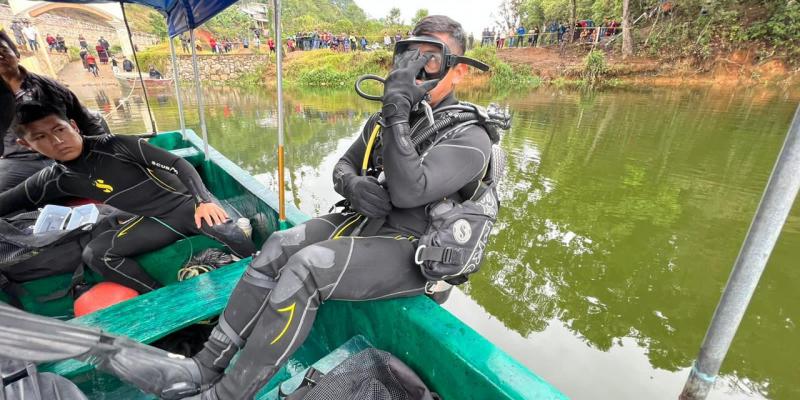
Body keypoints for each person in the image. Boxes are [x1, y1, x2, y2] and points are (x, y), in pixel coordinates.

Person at [116, 15, 496, 400]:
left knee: (307, 268)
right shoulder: (386, 119)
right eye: (410, 57)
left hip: (415, 250)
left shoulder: (469, 135)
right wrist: (354, 184)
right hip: (367, 224)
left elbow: (410, 192)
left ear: (458, 71)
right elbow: (343, 166)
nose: (417, 70)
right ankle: (207, 364)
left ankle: (227, 394)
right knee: (278, 244)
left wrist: (396, 111)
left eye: (432, 59)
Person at [1, 102, 256, 294]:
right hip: (152, 220)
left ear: (74, 126)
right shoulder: (53, 179)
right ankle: (163, 299)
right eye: (41, 137)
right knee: (96, 254)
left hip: (189, 205)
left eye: (60, 129)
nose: (57, 141)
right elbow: (8, 201)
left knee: (228, 231)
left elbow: (178, 164)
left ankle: (263, 276)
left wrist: (203, 200)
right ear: (27, 145)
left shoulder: (115, 145)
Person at [0, 31, 106, 192]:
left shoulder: (50, 86)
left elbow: (86, 120)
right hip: (20, 161)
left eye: (3, 51)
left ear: (17, 54)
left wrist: (105, 150)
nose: (0, 57)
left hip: (65, 153)